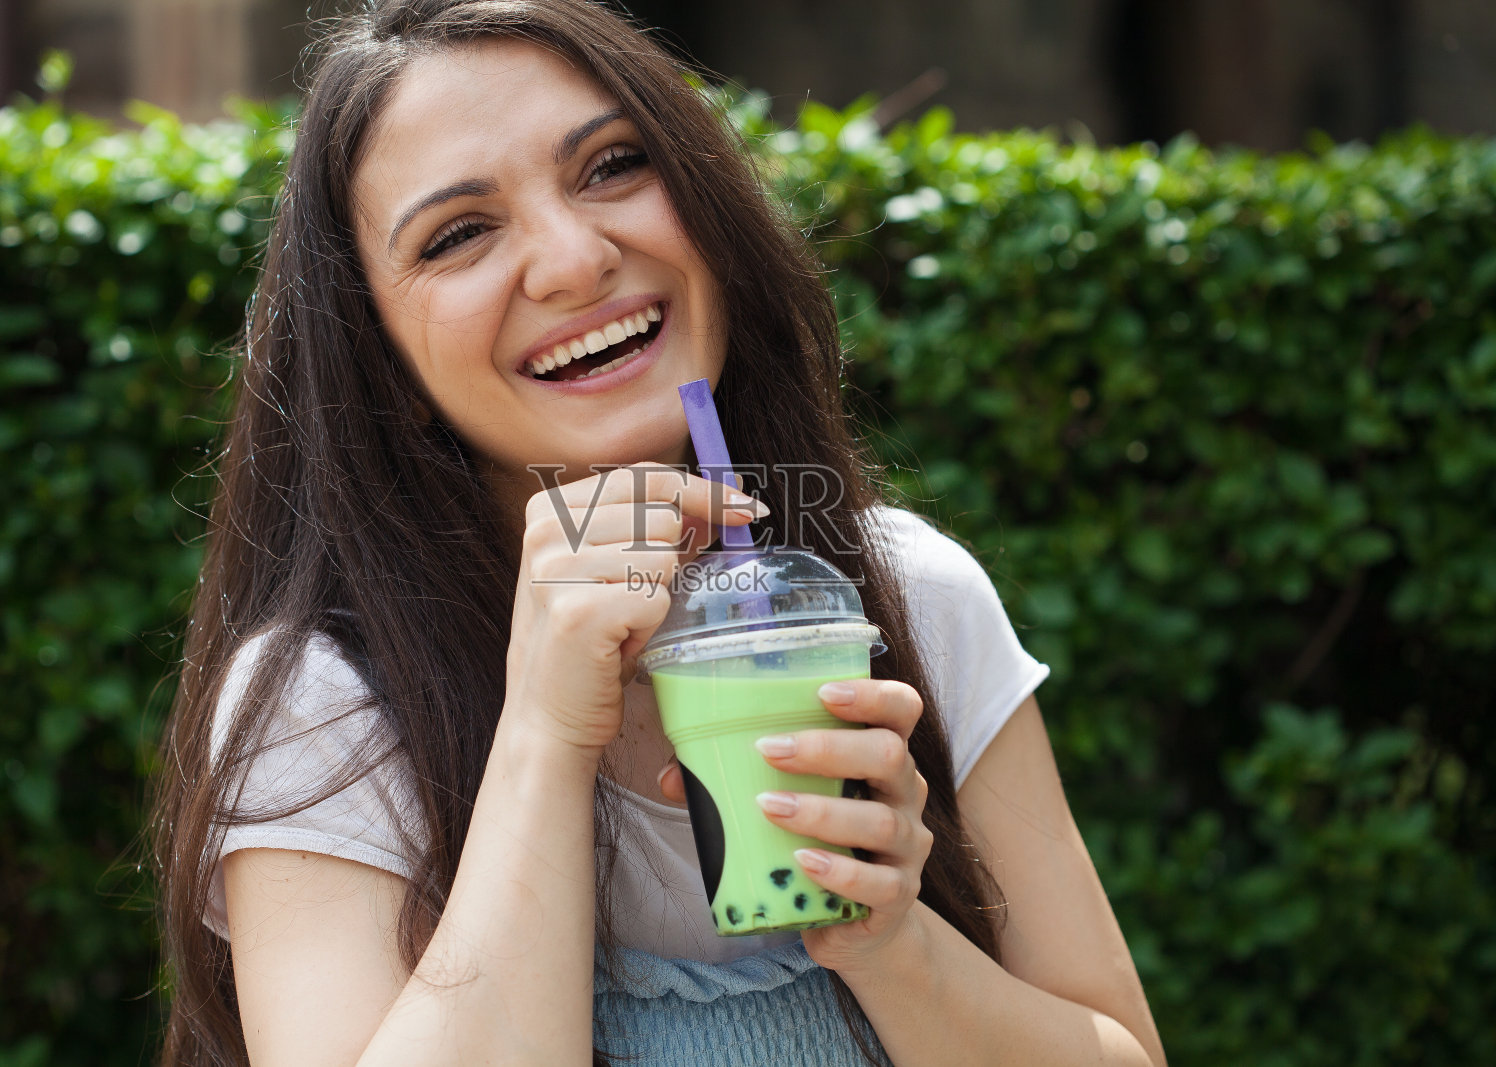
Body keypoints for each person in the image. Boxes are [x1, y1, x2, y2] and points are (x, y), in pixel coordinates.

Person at [150, 1, 1168, 1065]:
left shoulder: (908, 597)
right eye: (459, 234)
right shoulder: (328, 705)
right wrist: (542, 730)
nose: (573, 258)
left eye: (612, 166)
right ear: (382, 367)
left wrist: (897, 945)